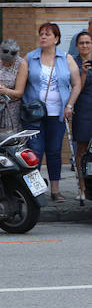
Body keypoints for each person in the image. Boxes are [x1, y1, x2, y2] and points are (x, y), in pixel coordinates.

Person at [22, 23, 81, 203]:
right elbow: (21, 83)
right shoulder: (30, 58)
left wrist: (69, 105)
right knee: (35, 151)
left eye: (47, 34)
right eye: (41, 34)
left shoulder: (66, 58)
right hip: (34, 114)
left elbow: (76, 83)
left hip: (57, 113)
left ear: (56, 38)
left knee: (54, 151)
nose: (43, 37)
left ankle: (55, 190)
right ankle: (35, 190)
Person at [71, 31, 92, 199]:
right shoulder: (73, 62)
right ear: (77, 46)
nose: (85, 45)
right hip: (82, 108)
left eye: (88, 42)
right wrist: (84, 73)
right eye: (81, 43)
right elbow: (78, 88)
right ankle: (82, 188)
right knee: (82, 150)